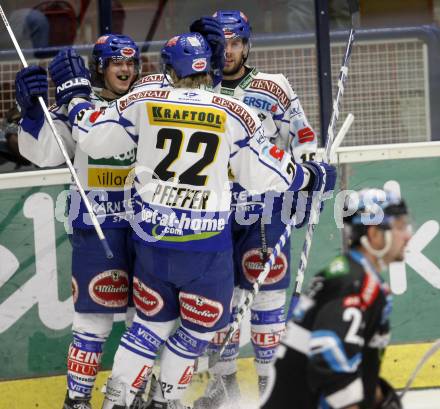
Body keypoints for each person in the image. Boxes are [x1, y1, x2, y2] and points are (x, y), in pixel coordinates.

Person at [62, 32, 336, 409]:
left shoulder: (144, 99)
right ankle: (166, 401)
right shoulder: (232, 111)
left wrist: (74, 98)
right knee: (195, 332)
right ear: (209, 66)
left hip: (154, 243)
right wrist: (313, 176)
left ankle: (116, 403)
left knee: (147, 327)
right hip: (206, 250)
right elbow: (265, 173)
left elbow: (92, 138)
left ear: (165, 68)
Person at [188, 10, 317, 408]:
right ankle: (224, 383)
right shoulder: (196, 89)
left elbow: (303, 137)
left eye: (235, 42)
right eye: (220, 43)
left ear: (247, 44)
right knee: (219, 302)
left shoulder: (272, 86)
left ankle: (269, 383)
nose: (227, 52)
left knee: (267, 303)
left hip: (266, 209)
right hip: (214, 213)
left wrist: (307, 179)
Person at [15, 34, 145, 409]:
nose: (125, 69)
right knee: (94, 324)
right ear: (99, 68)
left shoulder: (147, 104)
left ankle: (130, 397)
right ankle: (77, 400)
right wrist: (34, 113)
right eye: (116, 62)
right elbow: (43, 154)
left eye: (131, 61)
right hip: (96, 227)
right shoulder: (77, 108)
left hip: (146, 230)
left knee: (146, 323)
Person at [261, 188, 410, 409]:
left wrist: (377, 396)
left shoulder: (354, 275)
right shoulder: (354, 282)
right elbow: (328, 355)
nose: (408, 235)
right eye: (399, 227)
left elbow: (350, 360)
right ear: (374, 234)